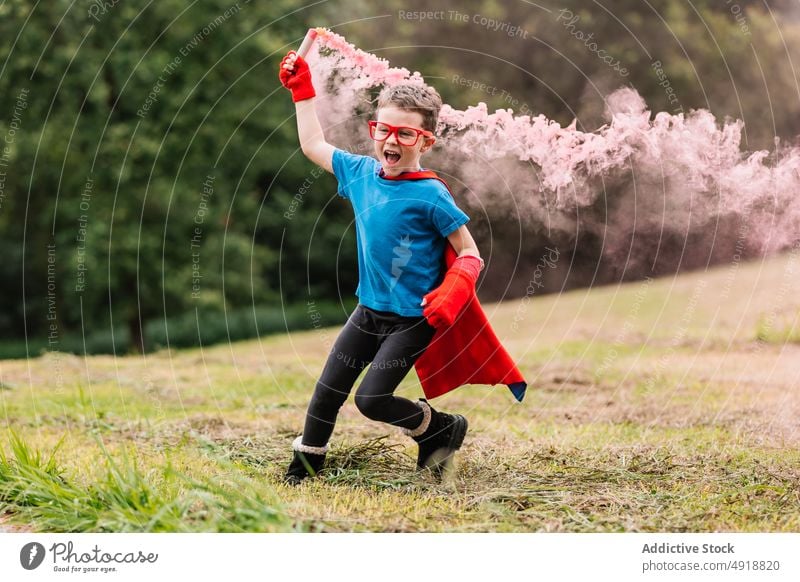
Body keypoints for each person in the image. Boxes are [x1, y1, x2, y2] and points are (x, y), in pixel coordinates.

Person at [279, 49, 488, 485]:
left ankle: (442, 428)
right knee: (327, 392)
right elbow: (312, 145)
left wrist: (454, 289)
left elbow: (469, 251)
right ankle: (305, 467)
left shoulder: (431, 195)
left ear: (426, 142)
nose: (391, 141)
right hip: (369, 310)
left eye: (406, 134)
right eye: (384, 129)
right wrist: (303, 92)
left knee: (372, 400)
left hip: (413, 318)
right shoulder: (359, 173)